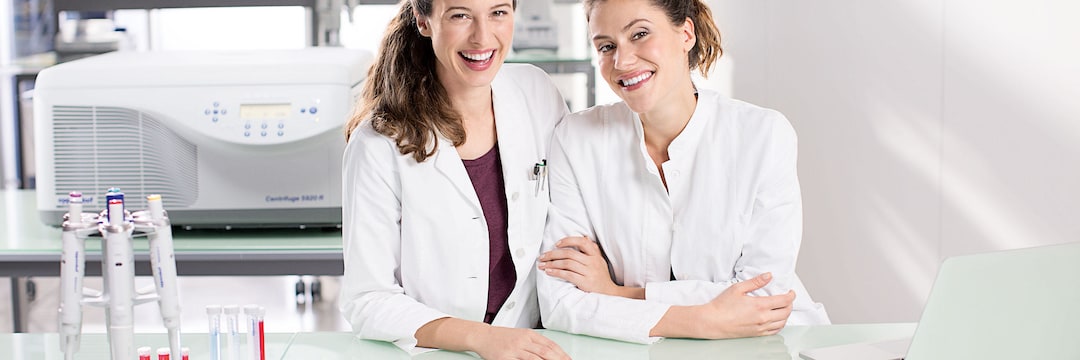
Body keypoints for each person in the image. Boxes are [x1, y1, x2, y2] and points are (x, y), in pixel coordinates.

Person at [535, 0, 830, 344]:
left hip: (765, 345)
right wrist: (697, 320)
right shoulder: (576, 138)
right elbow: (560, 302)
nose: (622, 61)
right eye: (606, 46)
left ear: (685, 33)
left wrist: (618, 294)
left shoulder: (763, 134)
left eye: (640, 34)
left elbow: (762, 299)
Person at [339, 0, 570, 358]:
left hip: (536, 346)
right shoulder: (378, 143)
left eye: (498, 13)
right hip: (439, 351)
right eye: (460, 15)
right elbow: (368, 299)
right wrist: (481, 338)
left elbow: (567, 218)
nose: (482, 37)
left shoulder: (536, 92)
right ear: (424, 20)